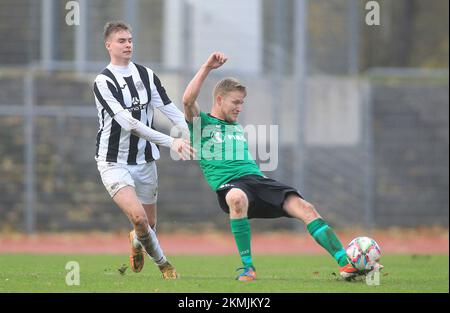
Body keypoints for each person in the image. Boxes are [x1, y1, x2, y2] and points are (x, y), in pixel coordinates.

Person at [183, 52, 381, 281]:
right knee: (236, 198)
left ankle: (347, 265)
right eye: (235, 102)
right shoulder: (201, 124)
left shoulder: (235, 126)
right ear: (219, 100)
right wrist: (207, 67)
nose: (239, 108)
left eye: (242, 103)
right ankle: (248, 267)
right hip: (231, 185)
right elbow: (188, 100)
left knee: (306, 208)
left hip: (256, 180)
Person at [93, 21, 193, 279]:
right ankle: (164, 264)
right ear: (108, 45)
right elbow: (130, 124)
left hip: (145, 161)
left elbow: (169, 109)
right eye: (121, 41)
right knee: (139, 219)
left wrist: (191, 132)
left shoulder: (146, 75)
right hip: (113, 162)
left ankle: (137, 243)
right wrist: (172, 141)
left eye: (130, 40)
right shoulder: (103, 81)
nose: (128, 45)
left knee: (148, 225)